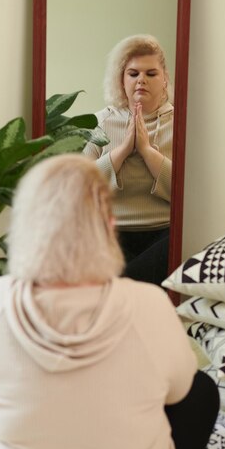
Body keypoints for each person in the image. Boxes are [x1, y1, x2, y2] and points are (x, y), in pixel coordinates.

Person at [0, 154, 220, 449]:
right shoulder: (148, 305)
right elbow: (180, 391)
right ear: (109, 225)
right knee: (202, 389)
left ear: (26, 225)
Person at [84, 34, 174, 286]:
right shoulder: (99, 123)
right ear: (121, 79)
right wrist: (122, 151)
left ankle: (119, 290)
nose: (141, 80)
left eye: (151, 73)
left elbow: (190, 195)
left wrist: (147, 151)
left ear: (165, 78)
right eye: (133, 73)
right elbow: (81, 187)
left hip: (163, 236)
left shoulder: (180, 124)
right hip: (111, 234)